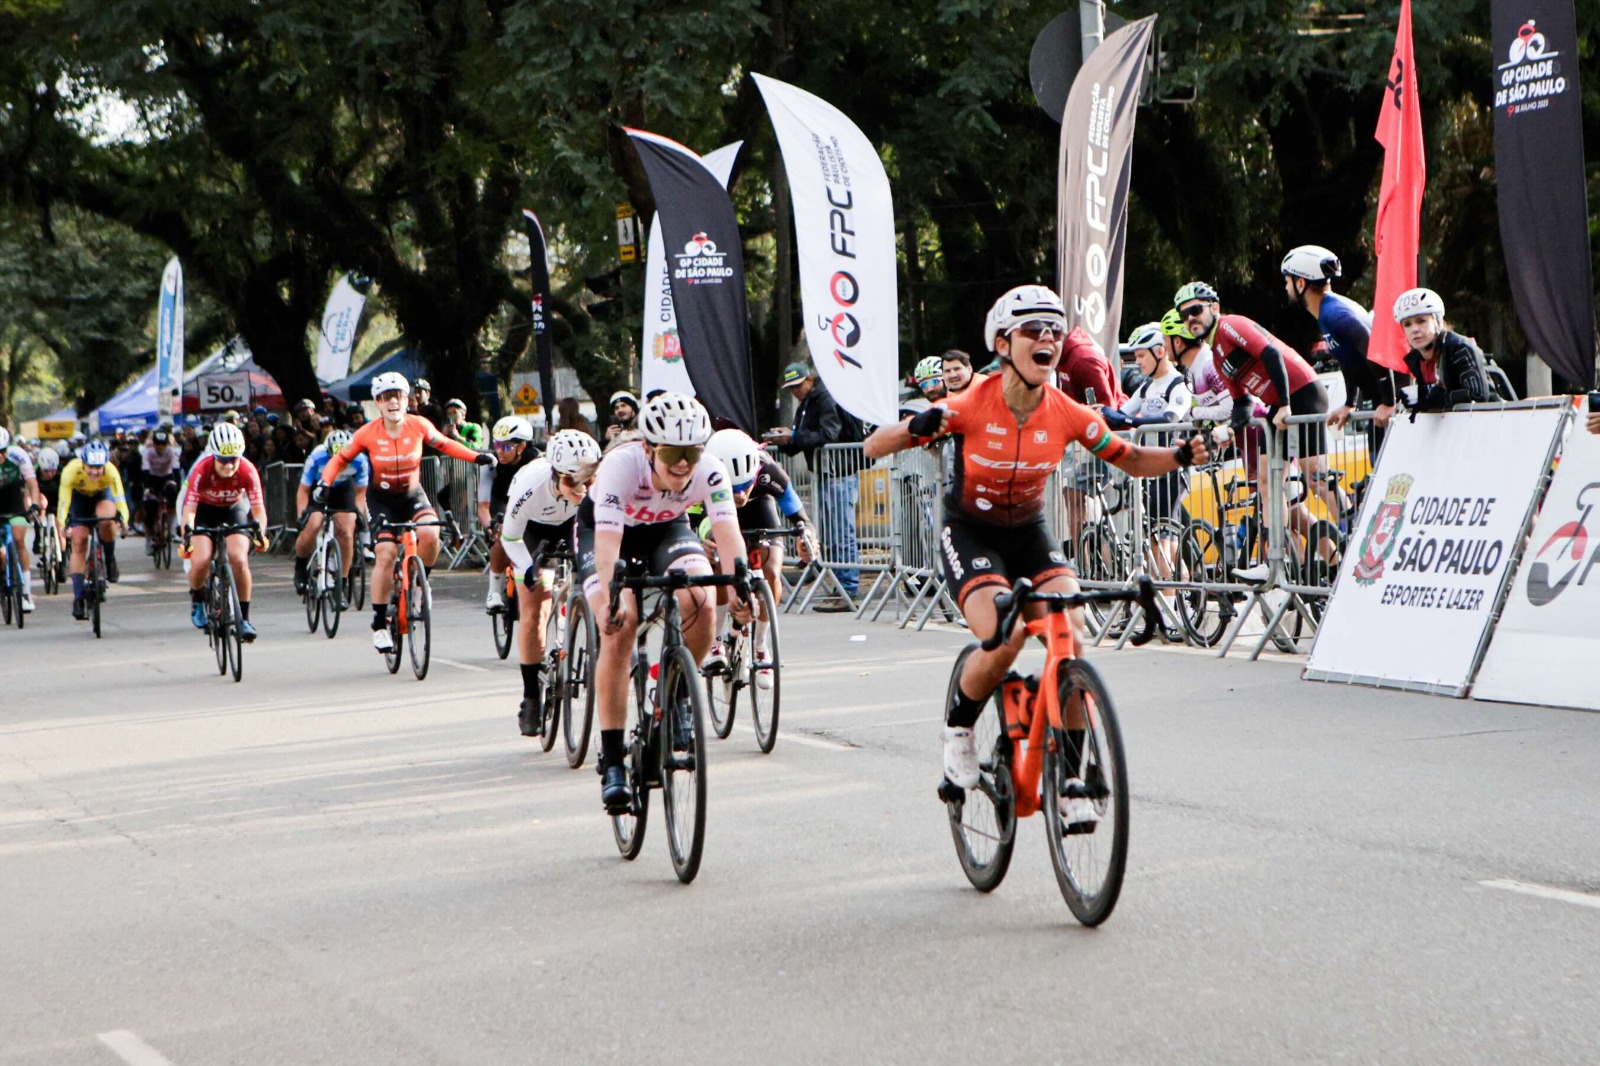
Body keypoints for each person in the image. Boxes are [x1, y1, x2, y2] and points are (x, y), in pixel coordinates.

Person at [864, 284, 1209, 827]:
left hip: (1029, 531)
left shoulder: (1066, 411)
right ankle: (958, 730)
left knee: (1068, 633)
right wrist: (916, 426)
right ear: (1003, 342)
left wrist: (1179, 454)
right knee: (1005, 632)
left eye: (1054, 329)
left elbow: (1133, 458)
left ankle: (1072, 779)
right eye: (1033, 330)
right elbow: (871, 446)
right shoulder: (970, 404)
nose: (1047, 338)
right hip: (971, 533)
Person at [580, 392, 751, 812]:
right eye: (673, 452)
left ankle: (676, 695)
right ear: (649, 448)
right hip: (606, 534)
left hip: (665, 529)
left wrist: (743, 592)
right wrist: (611, 598)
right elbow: (607, 543)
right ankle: (614, 758)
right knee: (620, 626)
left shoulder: (708, 470)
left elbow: (729, 538)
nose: (683, 463)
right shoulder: (622, 464)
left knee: (701, 598)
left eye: (692, 452)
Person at [316, 372, 494, 652]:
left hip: (412, 493)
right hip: (382, 500)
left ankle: (421, 585)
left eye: (398, 395)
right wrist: (325, 485)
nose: (393, 402)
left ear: (406, 399)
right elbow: (340, 459)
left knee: (430, 534)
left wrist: (477, 456)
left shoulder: (419, 424)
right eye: (386, 397)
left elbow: (445, 444)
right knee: (386, 554)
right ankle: (378, 624)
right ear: (377, 402)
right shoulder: (367, 433)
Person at [1176, 281, 1343, 558]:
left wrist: (1287, 404)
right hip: (1277, 407)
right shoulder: (1216, 353)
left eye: (1195, 310)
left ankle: (1354, 529)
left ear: (1214, 308)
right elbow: (1241, 403)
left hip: (1302, 393)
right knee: (1266, 482)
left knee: (1315, 478)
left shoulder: (1231, 325)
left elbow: (1271, 353)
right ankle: (1276, 557)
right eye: (1185, 315)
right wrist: (1230, 430)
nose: (1190, 318)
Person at [499, 429, 602, 736]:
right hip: (533, 531)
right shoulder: (530, 486)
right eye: (572, 480)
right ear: (555, 473)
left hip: (576, 524)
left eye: (588, 480)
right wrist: (527, 568)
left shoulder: (594, 487)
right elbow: (510, 538)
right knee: (534, 607)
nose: (581, 488)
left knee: (595, 577)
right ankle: (531, 696)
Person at [701, 428, 818, 682]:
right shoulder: (702, 471)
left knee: (771, 571)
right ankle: (716, 641)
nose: (741, 495)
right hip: (718, 511)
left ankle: (761, 646)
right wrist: (703, 541)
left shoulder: (768, 471)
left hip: (760, 509)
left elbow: (801, 519)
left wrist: (807, 540)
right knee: (719, 566)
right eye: (736, 488)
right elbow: (694, 518)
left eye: (745, 486)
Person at [767, 362, 863, 611]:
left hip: (839, 473)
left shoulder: (824, 398)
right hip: (825, 474)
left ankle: (848, 588)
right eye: (791, 389)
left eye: (798, 386)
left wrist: (794, 437)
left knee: (842, 533)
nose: (795, 392)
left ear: (810, 380)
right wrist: (784, 440)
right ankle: (840, 586)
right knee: (831, 534)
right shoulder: (809, 402)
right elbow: (803, 438)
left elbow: (827, 435)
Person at [1279, 245, 1402, 430]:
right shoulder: (1327, 310)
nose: (1286, 287)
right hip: (1381, 399)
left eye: (1288, 281)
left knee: (1382, 458)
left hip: (1390, 399)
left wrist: (1389, 401)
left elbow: (1372, 347)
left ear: (1300, 284)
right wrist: (1349, 402)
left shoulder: (1334, 313)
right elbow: (1347, 358)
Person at [179, 424, 270, 641]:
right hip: (204, 512)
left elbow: (258, 511)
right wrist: (187, 536)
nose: (229, 466)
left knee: (238, 559)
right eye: (223, 461)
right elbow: (189, 510)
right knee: (200, 561)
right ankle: (198, 598)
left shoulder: (248, 470)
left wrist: (260, 534)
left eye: (234, 460)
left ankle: (244, 619)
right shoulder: (201, 469)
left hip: (233, 510)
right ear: (214, 455)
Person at [1055, 327, 1128, 562]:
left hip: (1107, 436)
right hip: (1082, 438)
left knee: (1115, 510)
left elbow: (1106, 408)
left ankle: (1113, 568)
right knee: (1072, 497)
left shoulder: (1083, 359)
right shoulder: (1062, 357)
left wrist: (1072, 414)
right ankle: (1082, 564)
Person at [1392, 288, 1493, 416]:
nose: (1415, 329)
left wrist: (1439, 398)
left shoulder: (1460, 347)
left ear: (1438, 321)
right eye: (1407, 324)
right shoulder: (1416, 359)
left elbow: (1478, 395)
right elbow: (1429, 399)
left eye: (1421, 321)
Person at [293, 429, 370, 595]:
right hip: (319, 488)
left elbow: (360, 493)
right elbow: (303, 491)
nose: (340, 463)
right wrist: (301, 516)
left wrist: (357, 512)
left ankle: (342, 582)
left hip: (343, 489)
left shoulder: (361, 460)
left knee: (346, 531)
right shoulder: (316, 458)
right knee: (313, 525)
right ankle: (300, 565)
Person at [59, 439, 128, 619]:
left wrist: (124, 521)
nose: (95, 472)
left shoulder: (111, 472)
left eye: (99, 467)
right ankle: (78, 598)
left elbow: (120, 499)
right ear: (83, 463)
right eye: (91, 467)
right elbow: (64, 502)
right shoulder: (70, 471)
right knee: (79, 541)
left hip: (101, 496)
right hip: (79, 500)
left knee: (106, 518)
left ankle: (110, 557)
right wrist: (62, 525)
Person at [480, 416, 539, 612]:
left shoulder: (537, 461)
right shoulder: (499, 467)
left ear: (521, 447)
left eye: (506, 447)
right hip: (507, 502)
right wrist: (494, 524)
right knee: (501, 535)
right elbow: (493, 502)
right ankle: (494, 592)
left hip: (532, 504)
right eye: (497, 445)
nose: (499, 452)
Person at [0, 427, 41, 613]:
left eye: (2, 452)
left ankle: (26, 593)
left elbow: (32, 484)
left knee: (18, 539)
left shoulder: (18, 455)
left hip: (12, 497)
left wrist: (35, 505)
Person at [140, 427, 184, 550]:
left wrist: (179, 487)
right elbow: (145, 471)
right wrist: (147, 488)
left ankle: (171, 528)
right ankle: (149, 538)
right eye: (158, 444)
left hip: (166, 477)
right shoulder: (148, 452)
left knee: (173, 494)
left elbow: (176, 470)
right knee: (150, 509)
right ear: (153, 444)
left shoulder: (171, 451)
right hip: (152, 478)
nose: (160, 447)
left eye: (163, 444)